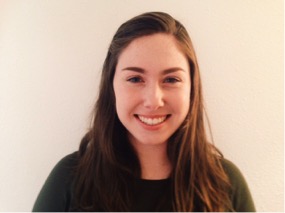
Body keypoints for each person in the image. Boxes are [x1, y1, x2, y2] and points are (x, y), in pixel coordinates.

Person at [32, 12, 255, 212]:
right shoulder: (69, 178)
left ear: (191, 88)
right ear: (112, 86)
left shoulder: (226, 183)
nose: (153, 100)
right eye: (135, 79)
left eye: (171, 79)